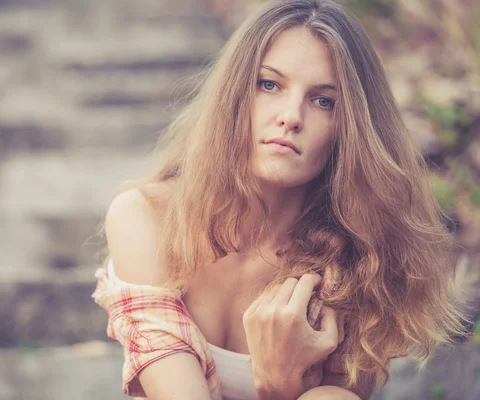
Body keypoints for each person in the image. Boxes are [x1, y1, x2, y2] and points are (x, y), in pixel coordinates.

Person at [92, 1, 469, 399]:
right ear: (234, 94)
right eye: (269, 84)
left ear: (349, 130)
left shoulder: (359, 265)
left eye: (324, 100)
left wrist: (278, 389)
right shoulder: (146, 217)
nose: (291, 116)